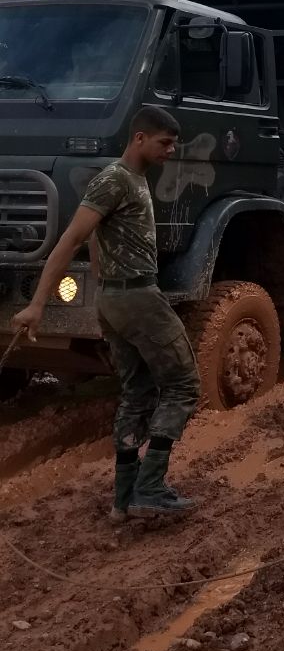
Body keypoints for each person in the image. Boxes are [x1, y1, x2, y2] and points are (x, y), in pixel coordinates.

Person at [13, 106, 200, 520]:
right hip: (136, 298)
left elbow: (98, 240)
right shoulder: (115, 180)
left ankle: (123, 499)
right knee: (184, 385)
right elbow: (71, 240)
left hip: (116, 300)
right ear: (139, 138)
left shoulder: (132, 180)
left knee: (136, 392)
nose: (170, 150)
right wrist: (38, 305)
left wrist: (103, 293)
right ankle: (149, 489)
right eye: (164, 143)